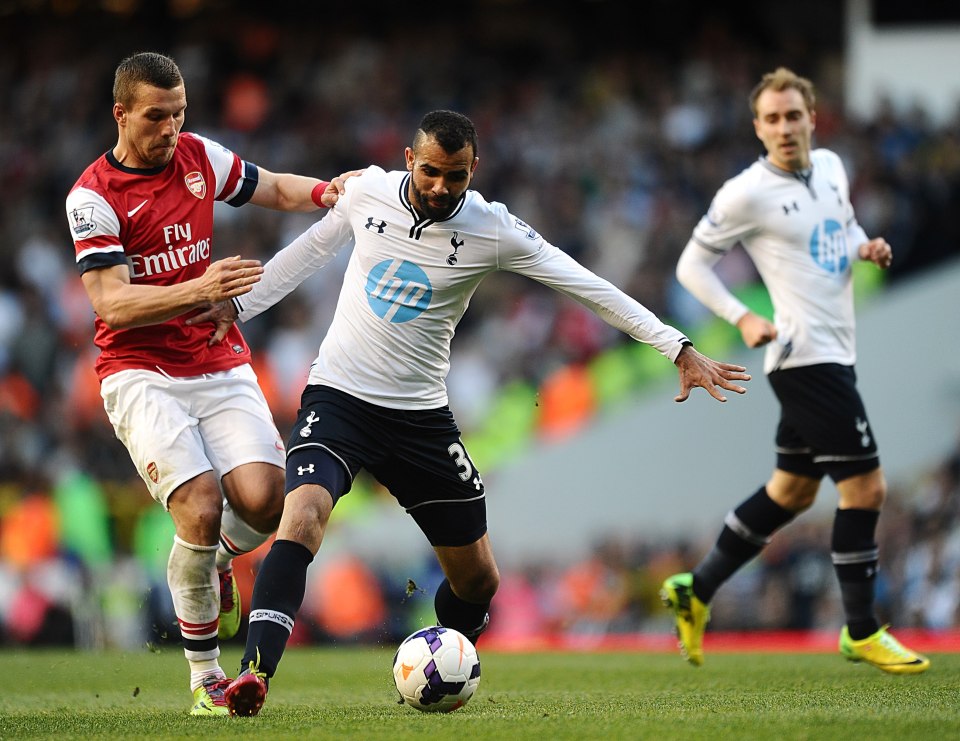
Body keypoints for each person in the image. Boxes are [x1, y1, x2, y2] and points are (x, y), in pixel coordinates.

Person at [187, 109, 751, 716]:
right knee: (301, 518)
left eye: (453, 177)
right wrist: (239, 308)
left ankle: (446, 659)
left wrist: (677, 345)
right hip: (339, 399)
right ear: (410, 160)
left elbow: (584, 284)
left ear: (472, 171)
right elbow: (309, 251)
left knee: (478, 582)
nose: (438, 187)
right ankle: (254, 675)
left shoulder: (493, 229)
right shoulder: (367, 193)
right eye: (429, 171)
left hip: (421, 420)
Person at [65, 51, 356, 716]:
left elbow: (273, 187)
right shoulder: (93, 197)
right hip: (140, 372)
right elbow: (110, 302)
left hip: (217, 360)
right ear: (121, 114)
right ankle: (205, 680)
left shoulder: (197, 158)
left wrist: (326, 193)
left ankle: (218, 557)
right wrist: (199, 286)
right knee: (197, 503)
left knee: (266, 500)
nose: (171, 128)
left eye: (179, 114)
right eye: (156, 116)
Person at [661, 67, 929, 674]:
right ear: (758, 128)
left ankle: (695, 589)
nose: (784, 127)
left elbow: (842, 223)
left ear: (812, 117)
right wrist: (741, 317)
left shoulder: (831, 167)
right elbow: (690, 267)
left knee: (792, 491)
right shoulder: (745, 193)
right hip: (804, 356)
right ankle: (860, 630)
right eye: (772, 119)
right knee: (867, 487)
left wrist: (864, 245)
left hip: (834, 351)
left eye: (793, 115)